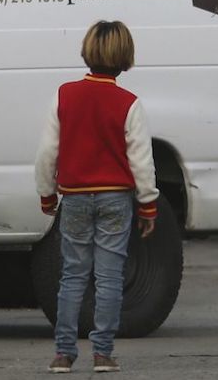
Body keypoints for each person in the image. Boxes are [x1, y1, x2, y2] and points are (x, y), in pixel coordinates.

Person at [35, 20, 158, 374]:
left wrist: (47, 195)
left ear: (88, 51)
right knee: (108, 277)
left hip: (73, 197)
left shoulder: (64, 95)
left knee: (73, 275)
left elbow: (47, 153)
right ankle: (102, 353)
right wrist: (148, 205)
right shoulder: (129, 103)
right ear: (124, 57)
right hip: (116, 199)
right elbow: (141, 160)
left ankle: (63, 353)